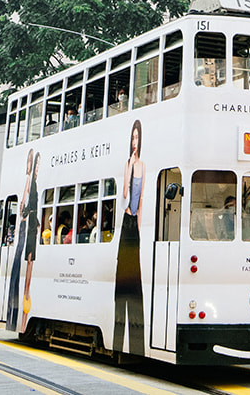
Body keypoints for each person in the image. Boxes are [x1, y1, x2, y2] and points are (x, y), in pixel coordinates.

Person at [113, 119, 145, 356]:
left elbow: (141, 200)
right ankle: (117, 339)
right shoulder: (129, 163)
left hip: (135, 226)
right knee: (121, 282)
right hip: (125, 223)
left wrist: (141, 231)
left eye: (137, 138)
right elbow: (124, 196)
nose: (135, 142)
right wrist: (130, 167)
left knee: (135, 284)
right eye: (132, 138)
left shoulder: (144, 165)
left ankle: (136, 343)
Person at [6, 148, 33, 330]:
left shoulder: (30, 182)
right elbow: (24, 207)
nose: (31, 166)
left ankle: (18, 315)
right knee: (19, 271)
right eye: (31, 163)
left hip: (25, 229)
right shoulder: (28, 181)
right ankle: (15, 313)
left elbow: (24, 207)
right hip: (24, 228)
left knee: (20, 272)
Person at [20, 151, 39, 333]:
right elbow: (22, 208)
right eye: (35, 163)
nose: (36, 168)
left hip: (34, 226)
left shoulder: (34, 182)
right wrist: (26, 215)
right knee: (27, 276)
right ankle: (24, 320)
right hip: (31, 227)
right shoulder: (29, 182)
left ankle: (25, 320)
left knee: (29, 274)